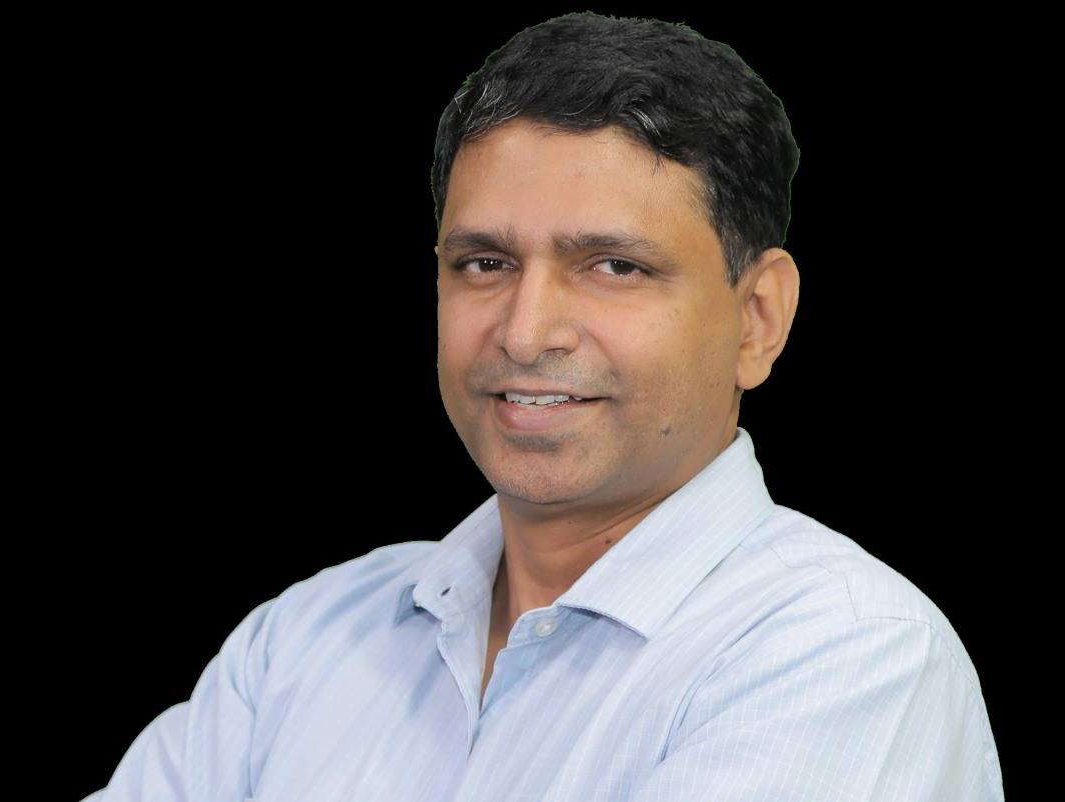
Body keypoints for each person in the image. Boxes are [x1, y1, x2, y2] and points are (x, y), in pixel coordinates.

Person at [83, 12, 1003, 801]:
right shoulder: (306, 640)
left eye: (614, 267)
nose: (525, 334)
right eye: (484, 262)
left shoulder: (845, 654)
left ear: (757, 319)